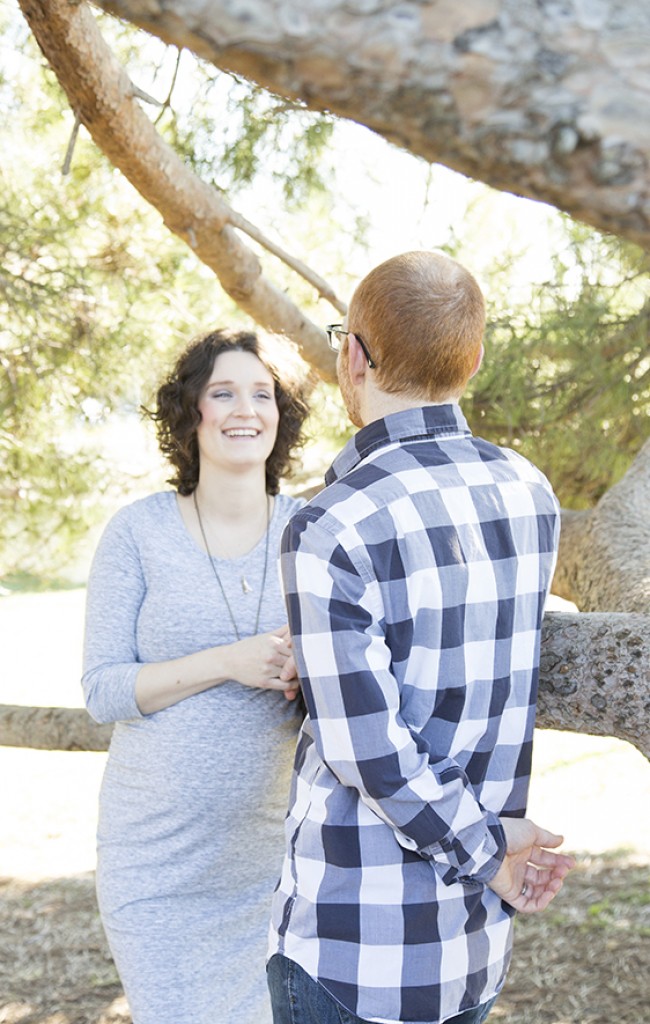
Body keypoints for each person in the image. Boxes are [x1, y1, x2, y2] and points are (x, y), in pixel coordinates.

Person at [267, 251, 576, 1024]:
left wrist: (492, 854)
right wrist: (492, 855)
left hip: (351, 947)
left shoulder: (328, 524)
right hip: (470, 943)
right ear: (472, 360)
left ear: (353, 355)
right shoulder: (528, 491)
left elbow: (371, 755)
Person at [82, 328, 310, 1024]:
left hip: (275, 867)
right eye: (223, 392)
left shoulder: (314, 531)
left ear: (281, 414)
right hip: (154, 865)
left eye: (262, 393)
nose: (245, 409)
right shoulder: (138, 532)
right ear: (192, 413)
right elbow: (103, 690)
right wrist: (227, 663)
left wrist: (314, 672)